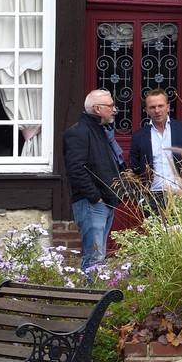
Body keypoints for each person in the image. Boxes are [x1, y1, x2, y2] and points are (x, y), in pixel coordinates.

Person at [62, 89, 126, 272]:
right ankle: (92, 298)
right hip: (92, 203)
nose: (114, 110)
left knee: (99, 255)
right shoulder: (78, 132)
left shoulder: (102, 131)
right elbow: (76, 170)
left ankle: (96, 296)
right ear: (97, 109)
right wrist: (95, 197)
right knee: (94, 257)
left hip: (104, 202)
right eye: (111, 106)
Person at [128, 88, 182, 214]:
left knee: (181, 233)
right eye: (152, 107)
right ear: (147, 110)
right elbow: (134, 168)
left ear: (168, 107)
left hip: (180, 195)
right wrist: (141, 198)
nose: (157, 111)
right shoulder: (139, 136)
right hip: (153, 197)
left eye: (161, 106)